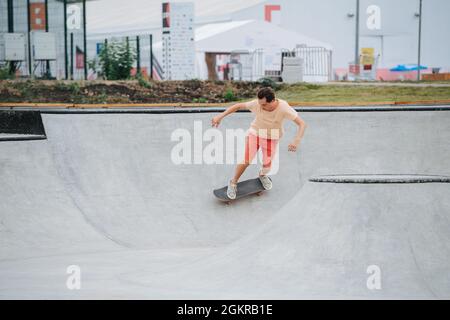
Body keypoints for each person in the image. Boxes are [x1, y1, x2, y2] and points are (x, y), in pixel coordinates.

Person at [211, 87, 307, 199]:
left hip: (272, 136)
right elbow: (237, 106)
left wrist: (296, 140)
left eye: (264, 105)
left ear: (273, 101)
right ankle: (233, 182)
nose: (261, 107)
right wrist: (220, 116)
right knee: (247, 160)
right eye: (260, 104)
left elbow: (302, 124)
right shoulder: (257, 104)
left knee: (267, 164)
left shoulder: (284, 108)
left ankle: (262, 175)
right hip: (256, 133)